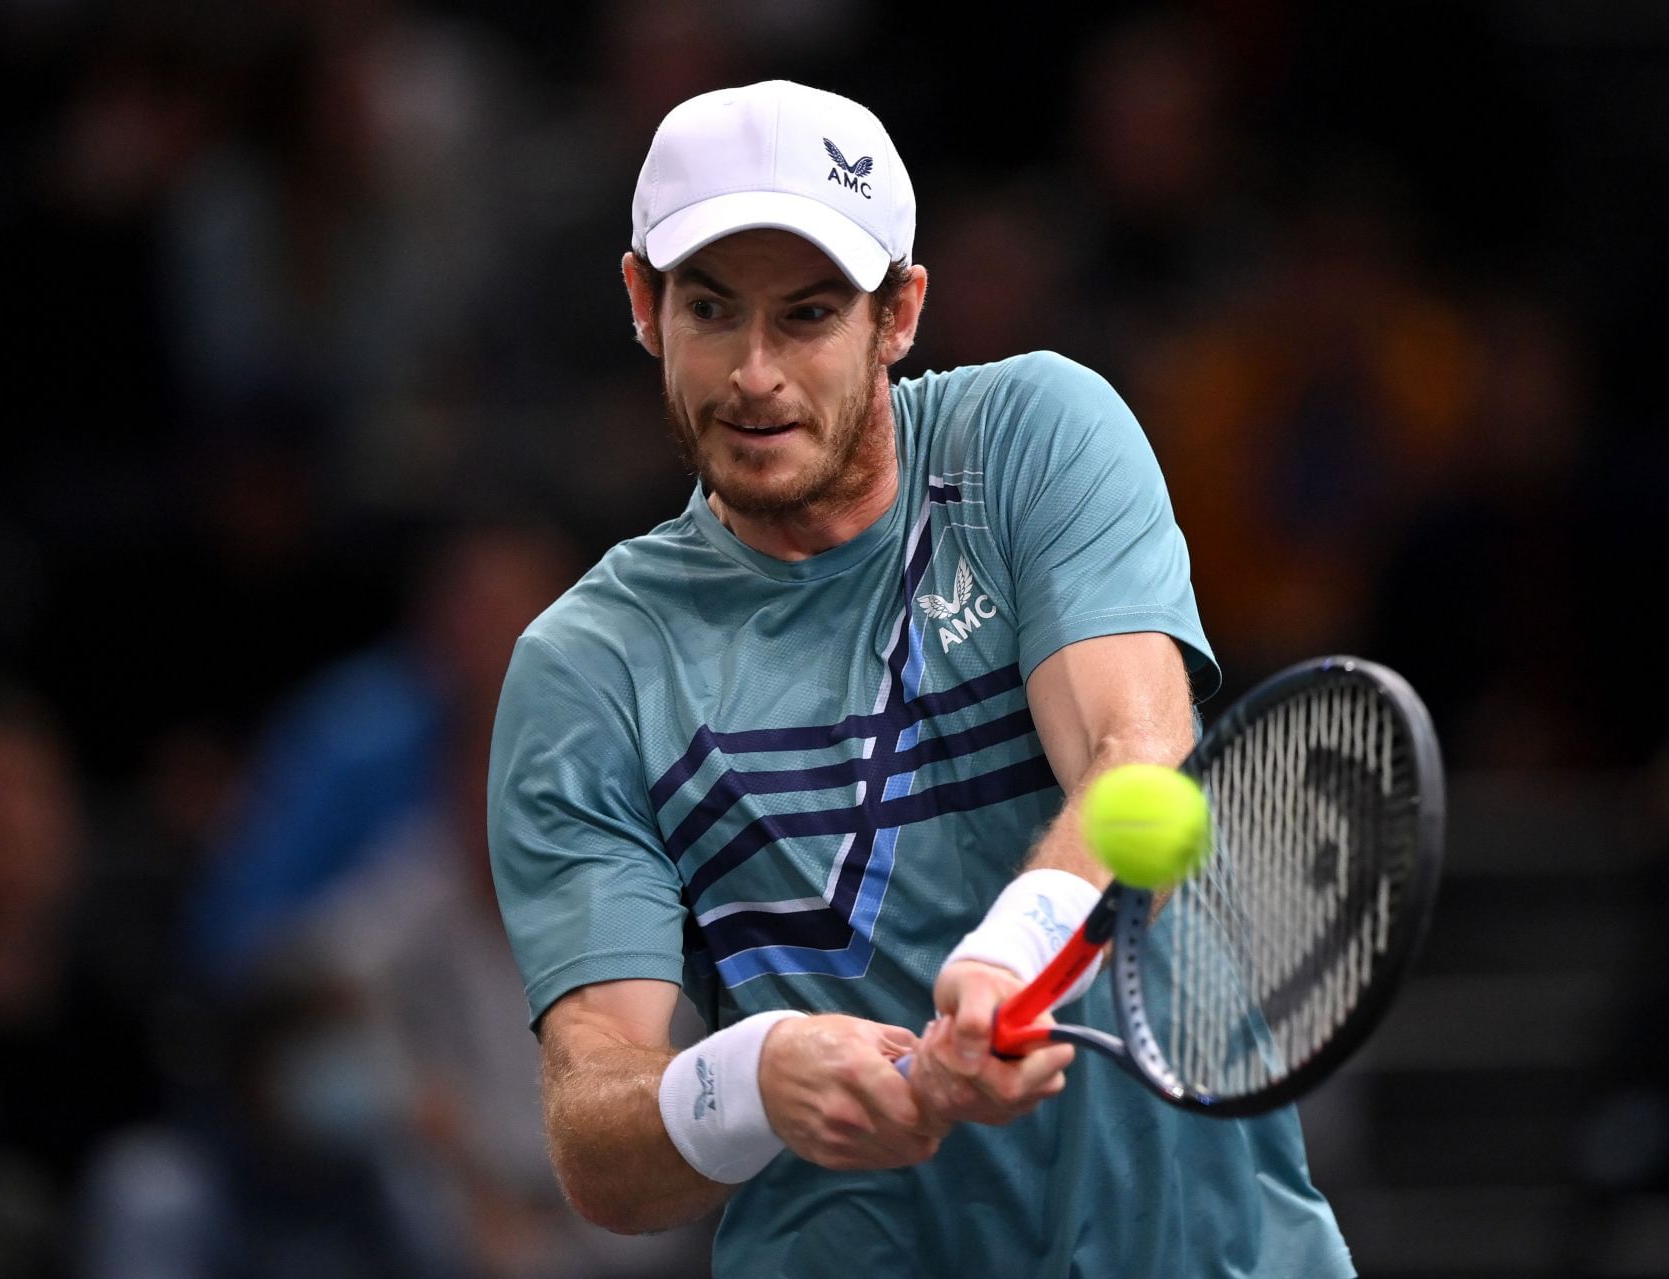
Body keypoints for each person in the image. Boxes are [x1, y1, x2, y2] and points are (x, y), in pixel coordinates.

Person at [487, 80, 1354, 1276]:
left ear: (899, 313)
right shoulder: (586, 671)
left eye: (806, 314)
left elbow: (1131, 753)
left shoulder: (1035, 437)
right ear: (642, 303)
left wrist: (1005, 966)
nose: (752, 374)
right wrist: (756, 1079)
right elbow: (599, 1134)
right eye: (709, 309)